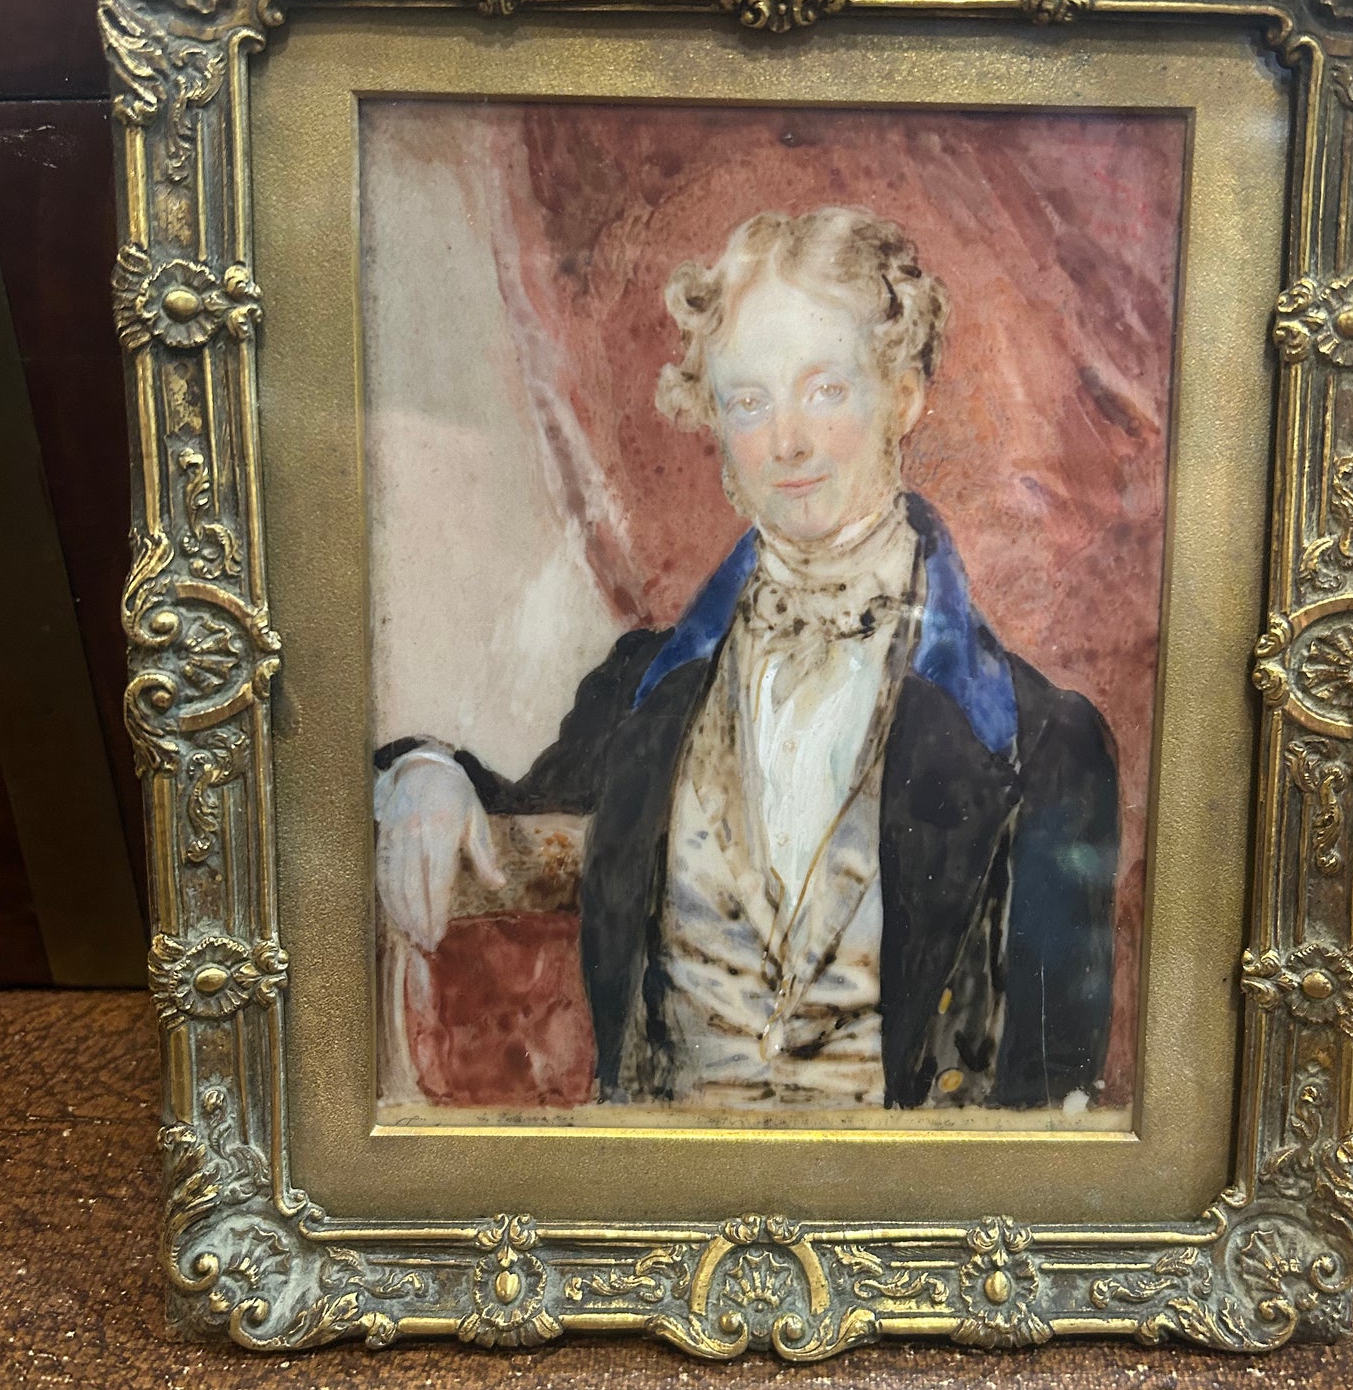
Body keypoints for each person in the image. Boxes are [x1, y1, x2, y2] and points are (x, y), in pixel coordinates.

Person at [375, 206, 1118, 1110]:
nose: (789, 441)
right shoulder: (647, 686)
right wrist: (424, 774)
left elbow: (1052, 1117)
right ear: (715, 421)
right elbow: (518, 805)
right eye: (750, 401)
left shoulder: (1044, 745)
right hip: (666, 1187)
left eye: (826, 389)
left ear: (904, 396)